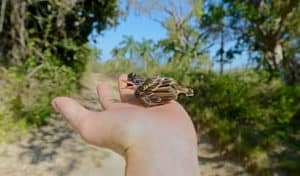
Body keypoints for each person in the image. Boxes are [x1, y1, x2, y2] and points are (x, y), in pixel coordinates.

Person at [52, 74, 199, 176]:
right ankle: (183, 90)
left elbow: (159, 93)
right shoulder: (143, 89)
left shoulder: (144, 91)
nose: (133, 89)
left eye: (134, 85)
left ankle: (182, 90)